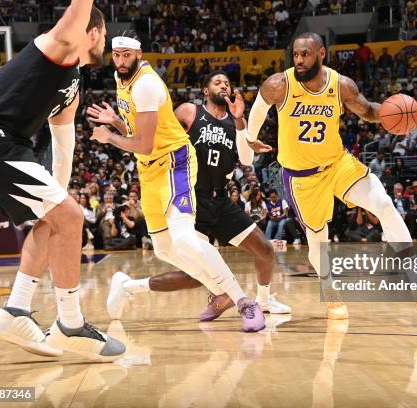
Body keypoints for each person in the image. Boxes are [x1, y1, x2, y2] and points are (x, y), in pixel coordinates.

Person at [0, 3, 126, 361]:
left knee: (58, 219)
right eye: (105, 36)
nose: (106, 44)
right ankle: (69, 324)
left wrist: (60, 204)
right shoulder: (60, 42)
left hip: (5, 143)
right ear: (92, 32)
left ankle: (14, 312)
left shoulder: (73, 85)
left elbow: (63, 147)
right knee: (68, 216)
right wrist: (67, 213)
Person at [88, 32, 265, 332]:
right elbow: (139, 131)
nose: (120, 61)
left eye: (126, 55)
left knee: (184, 238)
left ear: (139, 54)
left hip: (174, 162)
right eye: (116, 55)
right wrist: (117, 123)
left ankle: (244, 301)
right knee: (164, 249)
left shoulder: (145, 84)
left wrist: (109, 137)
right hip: (148, 169)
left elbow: (143, 144)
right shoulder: (122, 81)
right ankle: (211, 290)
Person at [246, 32, 413, 320]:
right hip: (302, 177)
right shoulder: (279, 84)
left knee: (384, 204)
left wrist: (391, 115)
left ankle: (414, 272)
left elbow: (368, 110)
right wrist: (250, 137)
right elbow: (258, 110)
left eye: (305, 54)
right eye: (296, 54)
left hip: (337, 164)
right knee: (318, 242)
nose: (299, 60)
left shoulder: (341, 85)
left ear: (321, 54)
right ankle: (330, 289)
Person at [100, 70, 290, 318]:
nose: (224, 86)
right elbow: (152, 134)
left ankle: (263, 301)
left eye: (227, 83)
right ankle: (131, 287)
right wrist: (117, 123)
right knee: (194, 275)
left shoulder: (235, 123)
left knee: (265, 250)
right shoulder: (189, 111)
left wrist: (241, 120)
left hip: (221, 199)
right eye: (217, 82)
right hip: (190, 196)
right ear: (205, 90)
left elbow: (246, 159)